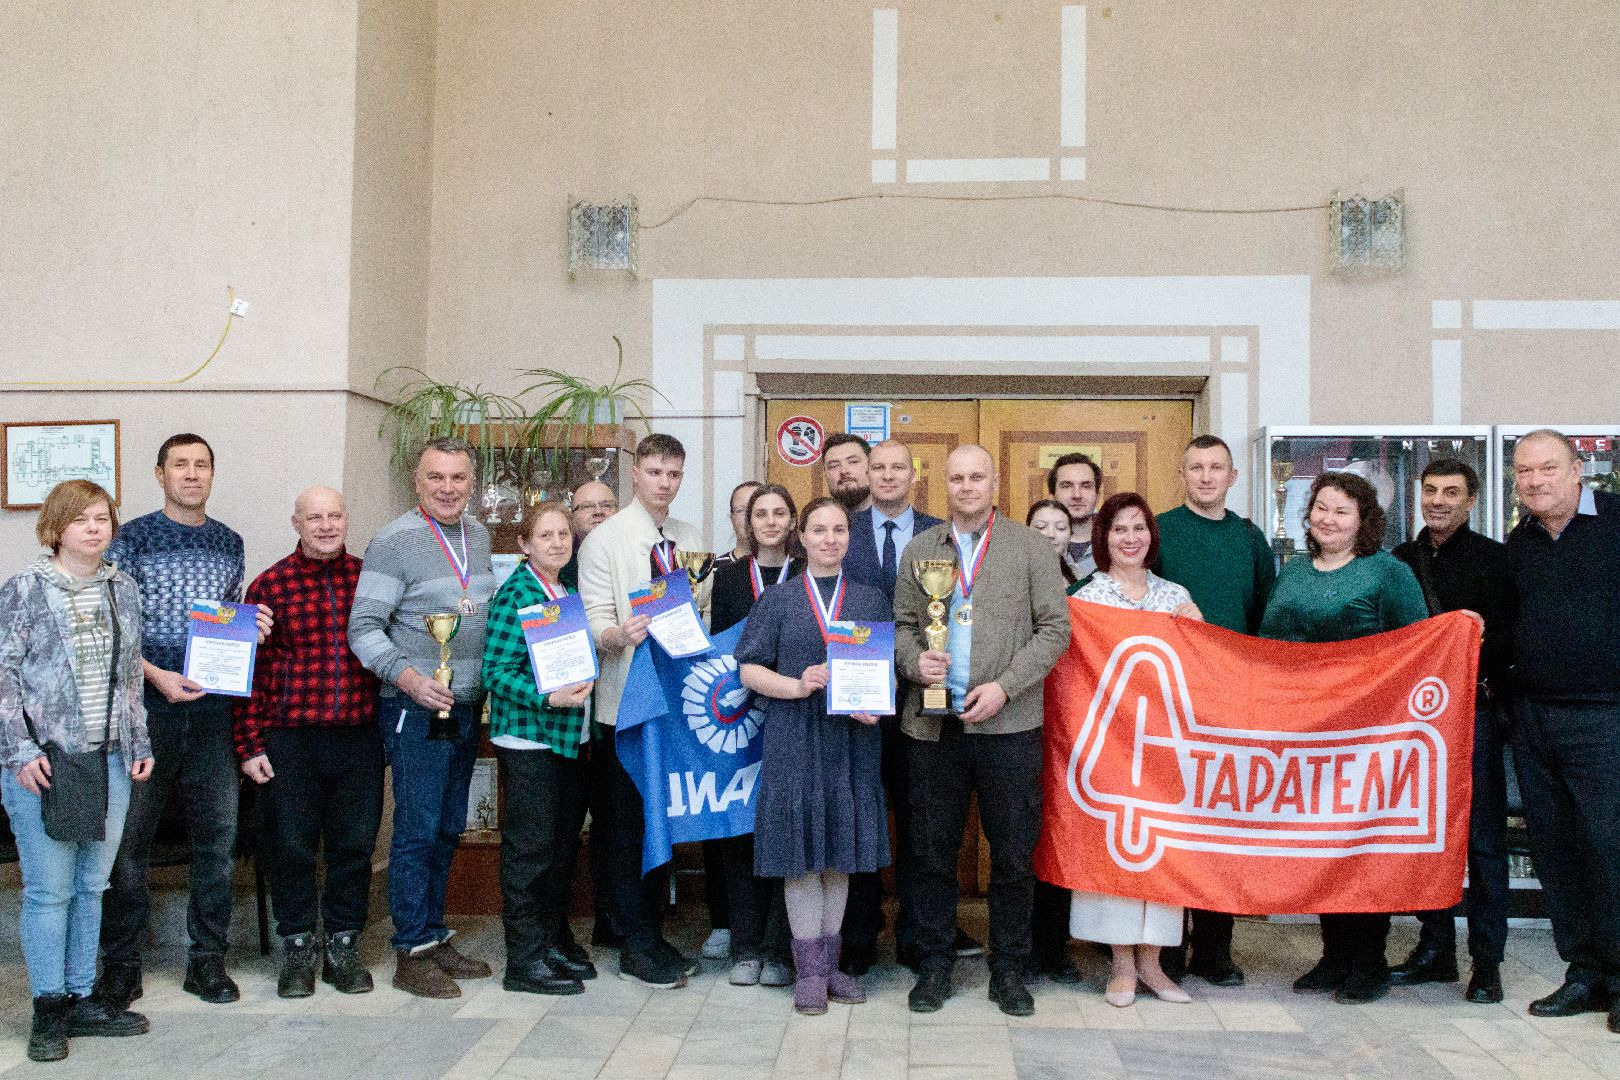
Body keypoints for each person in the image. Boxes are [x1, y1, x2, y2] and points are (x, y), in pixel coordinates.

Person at [894, 445, 1071, 1017]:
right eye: (956, 478)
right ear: (941, 485)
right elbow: (899, 626)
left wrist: (1005, 687)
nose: (967, 486)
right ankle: (934, 966)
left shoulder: (1028, 548)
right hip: (932, 726)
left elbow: (1055, 629)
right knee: (929, 855)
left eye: (977, 477)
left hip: (1010, 724)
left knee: (1015, 856)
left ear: (994, 482)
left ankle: (1010, 970)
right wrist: (913, 660)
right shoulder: (920, 550)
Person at [97, 433, 273, 1009]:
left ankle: (207, 962)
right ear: (160, 474)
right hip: (148, 710)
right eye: (180, 465)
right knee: (130, 844)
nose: (192, 474)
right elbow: (114, 627)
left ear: (213, 475)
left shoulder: (229, 542)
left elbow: (225, 624)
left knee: (216, 843)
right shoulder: (132, 539)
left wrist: (252, 630)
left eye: (201, 465)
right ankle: (121, 967)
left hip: (213, 712)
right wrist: (156, 676)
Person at [1260, 472, 1429, 1004]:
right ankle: (1333, 956)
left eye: (1342, 512)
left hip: (1368, 733)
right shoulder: (1291, 571)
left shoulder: (1387, 572)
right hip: (1306, 733)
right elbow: (1268, 642)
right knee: (1319, 843)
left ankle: (1368, 961)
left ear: (1363, 521)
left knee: (1361, 844)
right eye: (1321, 508)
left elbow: (1419, 643)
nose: (1328, 520)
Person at [1, 481, 154, 1062]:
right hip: (46, 760)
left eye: (103, 518)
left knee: (94, 884)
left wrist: (139, 742)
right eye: (82, 519)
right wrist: (19, 751)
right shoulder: (24, 590)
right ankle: (47, 1010)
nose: (95, 528)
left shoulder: (122, 590)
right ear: (56, 527)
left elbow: (130, 680)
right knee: (49, 891)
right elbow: (3, 677)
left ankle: (81, 996)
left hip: (110, 757)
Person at [349, 436, 496, 998]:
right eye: (437, 477)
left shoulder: (478, 535)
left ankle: (434, 934)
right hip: (415, 705)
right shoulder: (393, 541)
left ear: (471, 481)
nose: (448, 488)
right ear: (418, 480)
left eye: (458, 477)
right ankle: (411, 950)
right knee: (415, 828)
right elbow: (362, 628)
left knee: (448, 825)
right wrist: (409, 678)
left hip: (466, 706)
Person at [736, 496, 890, 1015]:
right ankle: (809, 973)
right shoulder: (778, 601)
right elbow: (749, 671)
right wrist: (797, 686)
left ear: (851, 537)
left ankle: (833, 966)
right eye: (819, 530)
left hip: (852, 740)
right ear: (801, 537)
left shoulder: (870, 599)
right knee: (802, 860)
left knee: (840, 857)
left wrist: (872, 705)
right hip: (795, 735)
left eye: (839, 530)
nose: (829, 539)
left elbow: (883, 670)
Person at [233, 486, 383, 999]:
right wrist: (250, 744)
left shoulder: (370, 580)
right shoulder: (269, 585)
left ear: (346, 519)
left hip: (359, 736)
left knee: (353, 847)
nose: (325, 525)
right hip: (289, 739)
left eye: (334, 515)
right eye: (314, 517)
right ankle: (297, 946)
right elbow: (247, 672)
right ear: (296, 523)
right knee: (290, 847)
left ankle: (344, 944)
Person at [577, 432, 708, 988]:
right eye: (656, 472)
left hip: (676, 705)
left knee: (664, 823)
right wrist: (619, 632)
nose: (665, 483)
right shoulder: (605, 540)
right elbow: (589, 620)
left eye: (674, 474)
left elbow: (700, 608)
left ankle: (651, 929)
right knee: (626, 826)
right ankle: (634, 940)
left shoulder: (688, 537)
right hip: (625, 704)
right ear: (635, 474)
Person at [1503, 430, 1620, 1031]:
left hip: (1604, 716)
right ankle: (1584, 972)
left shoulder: (1615, 522)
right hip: (1533, 717)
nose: (1535, 481)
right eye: (1524, 472)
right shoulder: (1518, 544)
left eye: (1548, 468)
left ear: (1579, 470)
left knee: (1609, 847)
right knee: (1555, 849)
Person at [1389, 459, 1515, 1004]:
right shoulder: (1398, 562)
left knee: (1483, 839)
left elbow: (1513, 640)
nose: (1438, 500)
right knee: (1422, 833)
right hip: (1415, 721)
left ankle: (1487, 961)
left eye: (1451, 492)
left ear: (1471, 500)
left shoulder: (1494, 561)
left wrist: (1482, 637)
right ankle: (1435, 948)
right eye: (1431, 490)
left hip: (1475, 718)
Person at [1153, 434, 1276, 987]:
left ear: (1232, 477)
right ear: (1182, 475)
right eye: (1196, 467)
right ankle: (1169, 949)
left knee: (1221, 826)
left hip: (1232, 702)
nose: (1206, 476)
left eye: (1216, 468)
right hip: (1169, 701)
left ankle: (1216, 951)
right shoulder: (1159, 531)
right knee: (1174, 825)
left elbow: (1266, 622)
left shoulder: (1251, 539)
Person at [1070, 493, 1202, 1007]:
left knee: (1164, 854)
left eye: (1139, 528)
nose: (1130, 538)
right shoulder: (1087, 598)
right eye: (1119, 529)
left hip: (1167, 747)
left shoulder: (1175, 595)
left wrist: (1198, 627)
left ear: (1151, 535)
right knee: (1117, 852)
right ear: (1103, 538)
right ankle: (1122, 966)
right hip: (1111, 744)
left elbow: (1204, 666)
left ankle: (1155, 964)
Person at [837, 439, 962, 974]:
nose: (887, 477)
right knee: (861, 815)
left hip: (923, 702)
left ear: (915, 474)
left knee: (921, 821)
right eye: (878, 467)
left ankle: (920, 935)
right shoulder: (842, 532)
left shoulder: (943, 534)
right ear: (866, 473)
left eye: (897, 468)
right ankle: (860, 933)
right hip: (858, 701)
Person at [481, 501, 597, 996]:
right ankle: (523, 962)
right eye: (545, 535)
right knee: (529, 852)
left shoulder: (563, 591)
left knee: (556, 848)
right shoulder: (518, 594)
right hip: (529, 737)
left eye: (563, 534)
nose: (557, 542)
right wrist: (547, 695)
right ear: (525, 544)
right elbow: (496, 672)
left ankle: (549, 942)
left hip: (566, 737)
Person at [707, 484, 803, 988]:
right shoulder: (726, 577)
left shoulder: (809, 576)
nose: (768, 521)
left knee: (787, 829)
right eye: (758, 513)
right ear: (746, 521)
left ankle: (779, 947)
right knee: (741, 830)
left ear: (792, 523)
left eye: (778, 512)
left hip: (795, 716)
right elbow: (717, 647)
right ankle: (746, 945)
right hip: (739, 720)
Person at [699, 479, 763, 964]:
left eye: (759, 510)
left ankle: (774, 931)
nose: (751, 519)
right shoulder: (716, 571)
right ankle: (726, 920)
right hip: (732, 710)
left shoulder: (801, 570)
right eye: (742, 511)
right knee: (729, 815)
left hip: (784, 710)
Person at [1023, 499, 1082, 983]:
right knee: (1023, 834)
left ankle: (1056, 943)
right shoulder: (1012, 580)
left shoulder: (1088, 587)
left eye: (1059, 526)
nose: (1049, 533)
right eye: (1039, 525)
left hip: (1075, 723)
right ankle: (1024, 941)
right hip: (1023, 716)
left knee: (1063, 830)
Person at [1047, 452, 1103, 580]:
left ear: (1097, 495)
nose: (1077, 495)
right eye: (1067, 486)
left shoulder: (1118, 543)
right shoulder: (1035, 543)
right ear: (1052, 496)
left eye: (1085, 486)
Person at [561, 480, 618, 590]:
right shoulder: (560, 561)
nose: (598, 511)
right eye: (587, 506)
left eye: (607, 505)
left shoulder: (637, 550)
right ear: (572, 517)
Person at [716, 480, 763, 566]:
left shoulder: (791, 569)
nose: (749, 516)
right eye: (741, 510)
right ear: (732, 519)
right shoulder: (713, 570)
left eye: (758, 509)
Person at [821, 432, 872, 513]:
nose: (844, 471)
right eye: (834, 466)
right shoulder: (818, 521)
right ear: (825, 474)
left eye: (853, 462)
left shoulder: (895, 519)